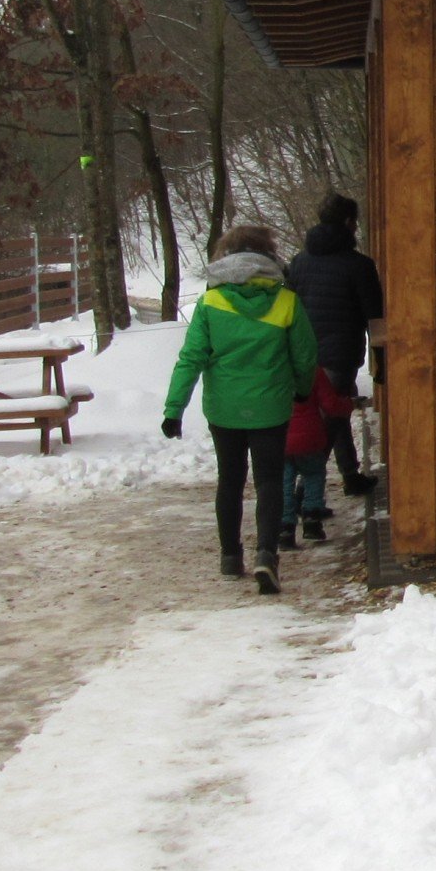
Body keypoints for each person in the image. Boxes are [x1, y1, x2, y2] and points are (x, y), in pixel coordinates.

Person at [163, 224, 318, 594]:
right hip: (271, 406)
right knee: (268, 480)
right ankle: (267, 553)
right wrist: (301, 390)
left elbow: (191, 359)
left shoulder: (210, 303)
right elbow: (306, 355)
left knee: (229, 480)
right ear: (268, 256)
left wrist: (174, 408)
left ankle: (231, 555)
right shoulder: (286, 301)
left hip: (224, 409)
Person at [285, 192, 383, 502]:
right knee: (331, 418)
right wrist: (382, 359)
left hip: (303, 353)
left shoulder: (298, 262)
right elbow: (375, 317)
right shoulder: (359, 265)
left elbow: (288, 309)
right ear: (349, 222)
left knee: (334, 412)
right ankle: (304, 490)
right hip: (340, 354)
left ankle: (350, 475)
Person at [283, 369, 355, 547]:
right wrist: (347, 405)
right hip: (310, 438)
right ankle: (312, 520)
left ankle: (285, 528)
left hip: (281, 439)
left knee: (284, 482)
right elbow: (330, 405)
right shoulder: (313, 372)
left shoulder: (273, 371)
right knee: (314, 476)